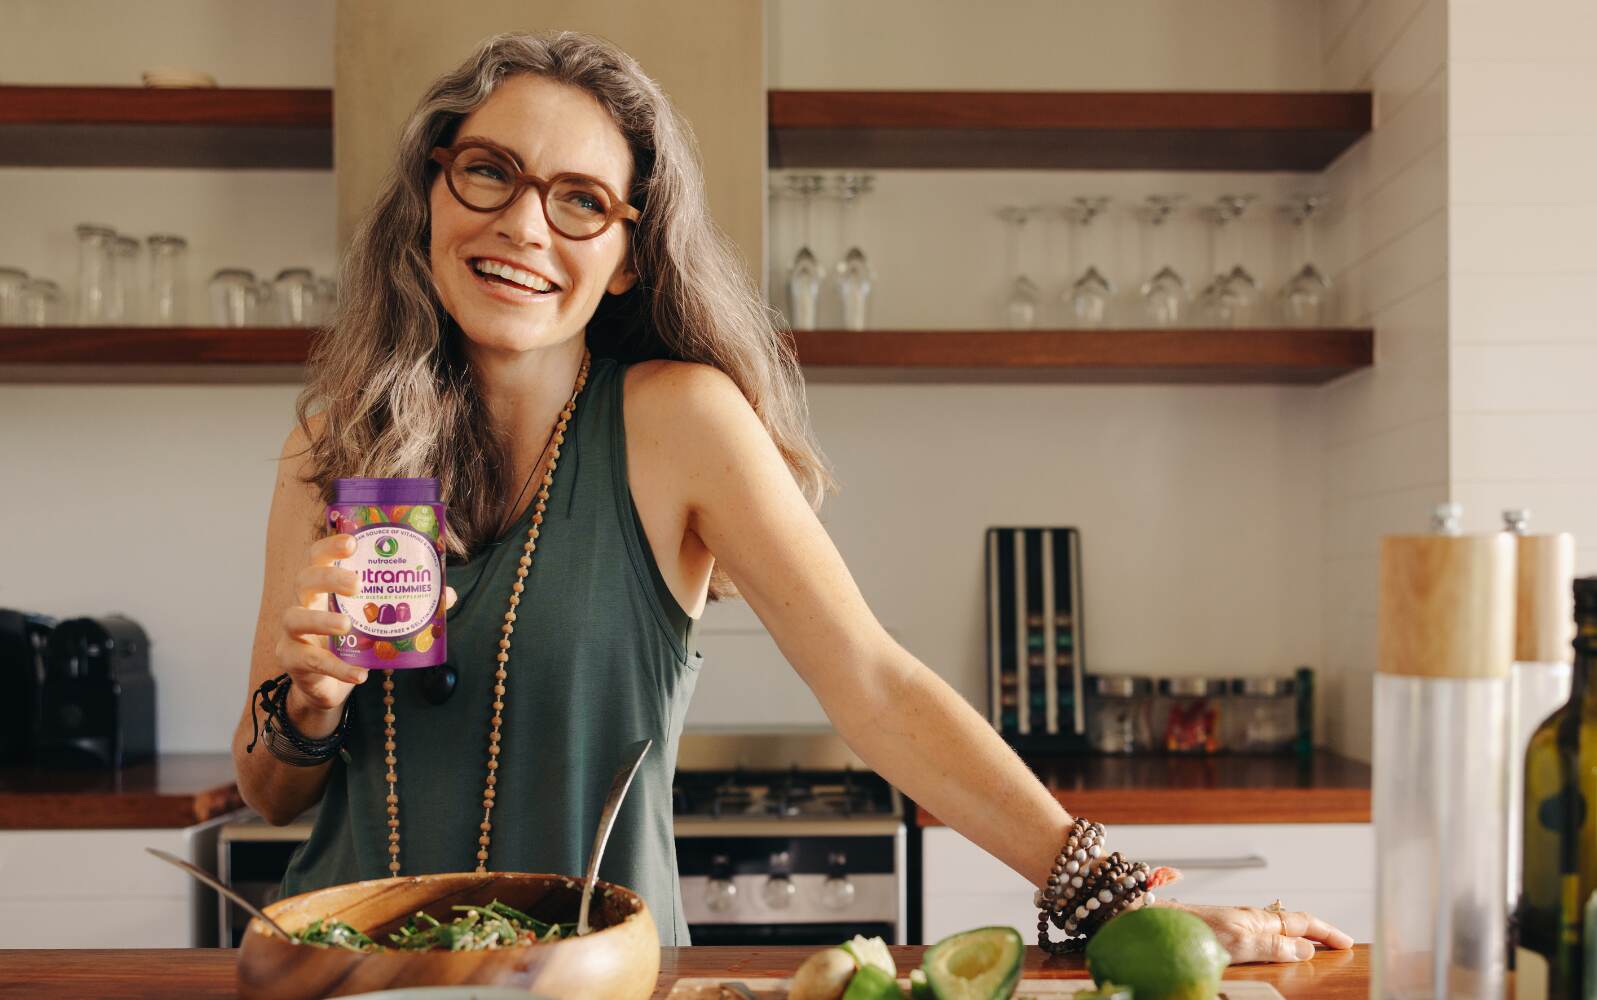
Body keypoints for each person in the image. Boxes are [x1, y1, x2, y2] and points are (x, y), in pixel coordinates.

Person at [231, 29, 1354, 961]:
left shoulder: (677, 421)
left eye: (580, 199)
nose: (524, 224)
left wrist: (1113, 893)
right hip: (337, 976)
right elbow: (271, 788)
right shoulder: (334, 443)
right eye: (490, 171)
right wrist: (306, 705)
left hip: (591, 981)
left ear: (626, 255)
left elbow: (874, 686)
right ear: (435, 186)